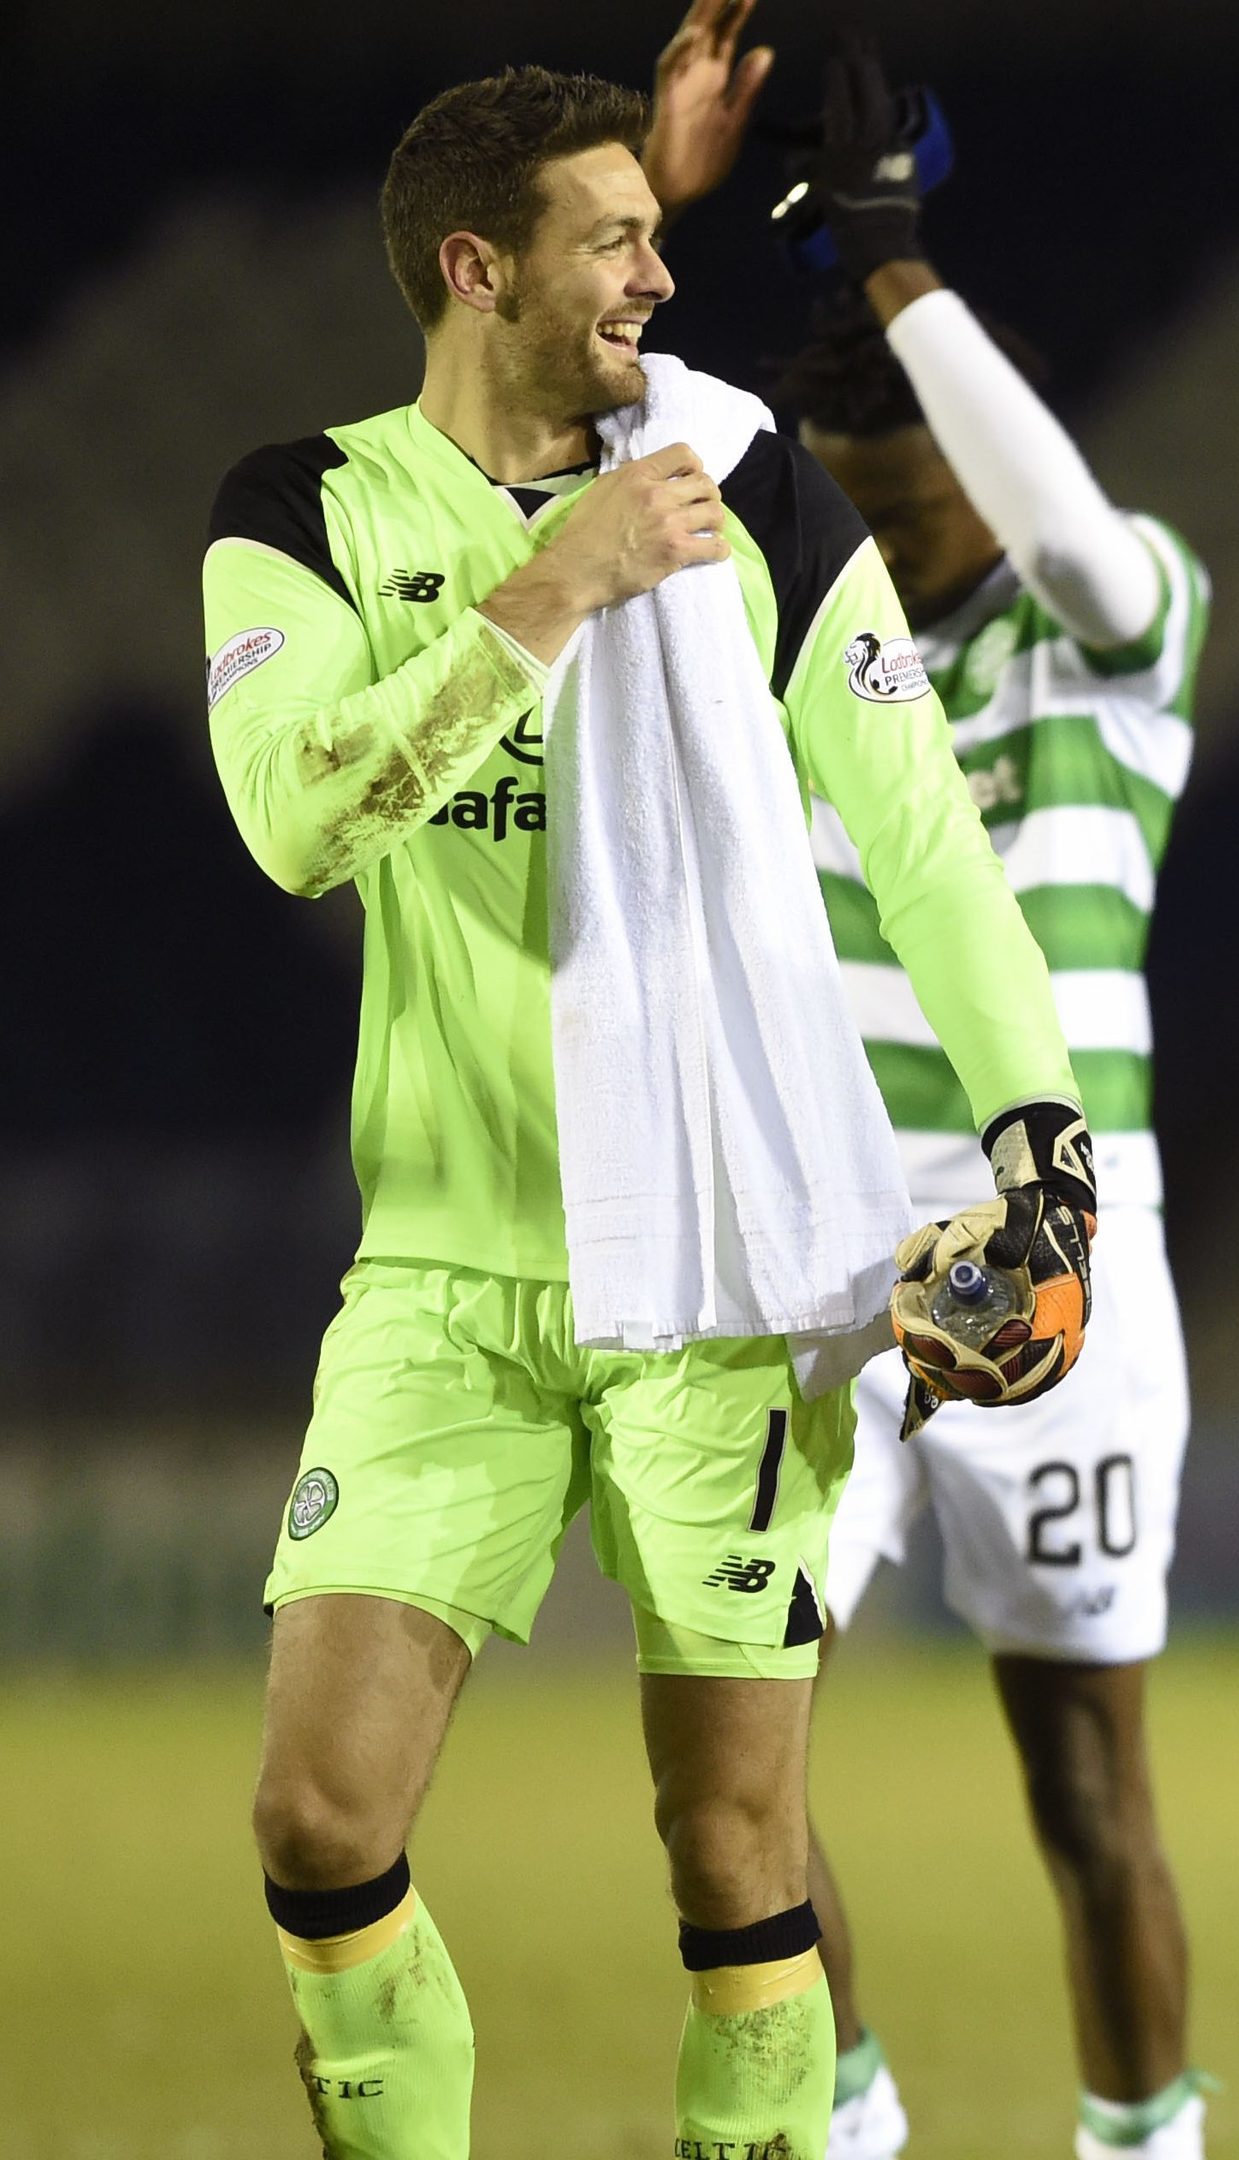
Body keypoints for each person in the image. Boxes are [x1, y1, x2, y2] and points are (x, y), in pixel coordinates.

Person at [211, 65, 1089, 2159]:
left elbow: (927, 841)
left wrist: (1039, 1140)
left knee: (732, 1854)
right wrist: (557, 592)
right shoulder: (302, 510)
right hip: (445, 1278)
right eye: (614, 242)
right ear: (473, 269)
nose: (660, 274)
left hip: (719, 1278)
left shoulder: (752, 484)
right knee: (319, 1815)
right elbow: (292, 827)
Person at [648, 30, 1214, 2160]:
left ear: (989, 456)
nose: (873, 519)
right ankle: (853, 2128)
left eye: (910, 479)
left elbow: (1074, 530)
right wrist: (674, 213)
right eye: (840, 487)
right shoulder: (765, 653)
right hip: (809, 1245)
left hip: (1058, 1244)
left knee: (1087, 1791)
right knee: (733, 1761)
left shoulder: (1113, 636)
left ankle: (1142, 2143)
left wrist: (894, 265)